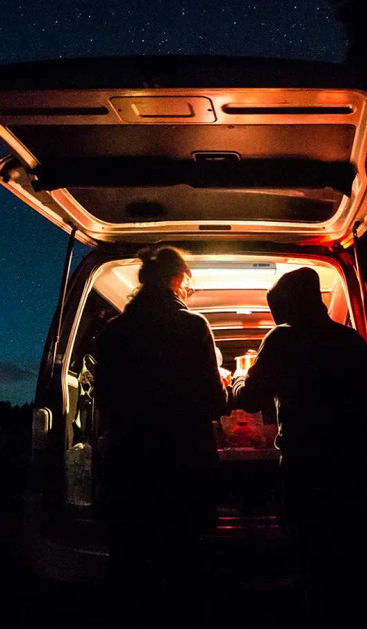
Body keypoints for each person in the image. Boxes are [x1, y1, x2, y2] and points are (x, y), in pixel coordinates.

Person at [231, 266, 367, 626]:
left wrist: (238, 377)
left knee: (309, 547)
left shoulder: (282, 338)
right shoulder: (353, 341)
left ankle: (312, 610)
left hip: (305, 464)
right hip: (352, 463)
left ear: (285, 304)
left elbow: (251, 398)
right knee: (348, 552)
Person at [93, 246, 228, 612]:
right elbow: (214, 402)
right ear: (177, 279)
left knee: (132, 565)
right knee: (185, 562)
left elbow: (104, 399)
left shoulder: (113, 332)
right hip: (185, 466)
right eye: (188, 283)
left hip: (129, 466)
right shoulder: (194, 326)